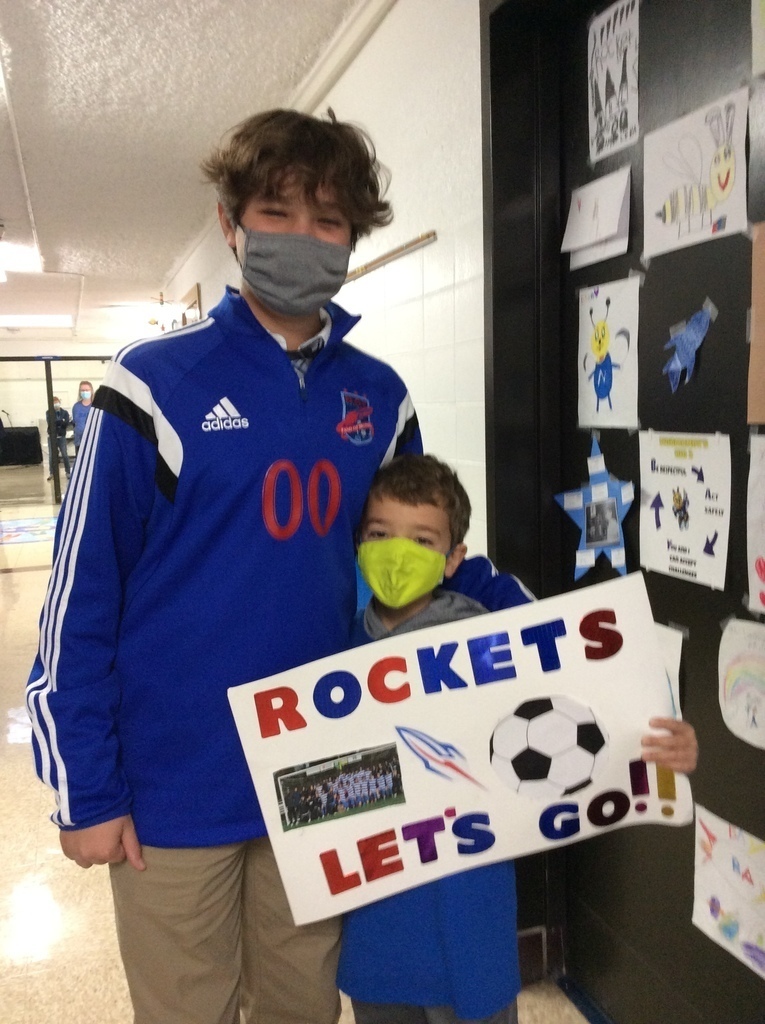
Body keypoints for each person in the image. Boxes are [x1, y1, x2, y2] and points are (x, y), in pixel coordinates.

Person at [25, 108, 511, 1024]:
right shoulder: (150, 383)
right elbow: (78, 603)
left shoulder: (380, 395)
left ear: (355, 237)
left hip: (326, 770)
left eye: (329, 222)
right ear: (229, 221)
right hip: (176, 784)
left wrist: (559, 640)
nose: (303, 239)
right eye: (277, 213)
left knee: (301, 1009)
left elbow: (419, 557)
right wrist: (86, 789)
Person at [337, 453, 699, 1024]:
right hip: (379, 925)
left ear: (455, 558)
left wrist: (662, 736)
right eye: (380, 535)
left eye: (423, 541)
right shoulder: (333, 653)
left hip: (471, 910)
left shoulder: (495, 635)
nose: (396, 553)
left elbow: (593, 691)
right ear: (358, 541)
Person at [45, 396, 70, 480]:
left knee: (65, 454)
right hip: (52, 437)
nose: (56, 404)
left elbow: (66, 423)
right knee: (52, 455)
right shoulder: (49, 412)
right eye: (54, 403)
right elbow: (51, 422)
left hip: (61, 437)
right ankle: (52, 473)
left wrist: (60, 422)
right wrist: (60, 422)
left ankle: (68, 472)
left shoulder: (65, 412)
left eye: (57, 402)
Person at [71, 380, 95, 454]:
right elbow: (75, 422)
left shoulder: (95, 406)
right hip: (79, 442)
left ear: (91, 391)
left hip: (92, 442)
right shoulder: (76, 407)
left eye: (87, 390)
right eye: (83, 390)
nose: (85, 392)